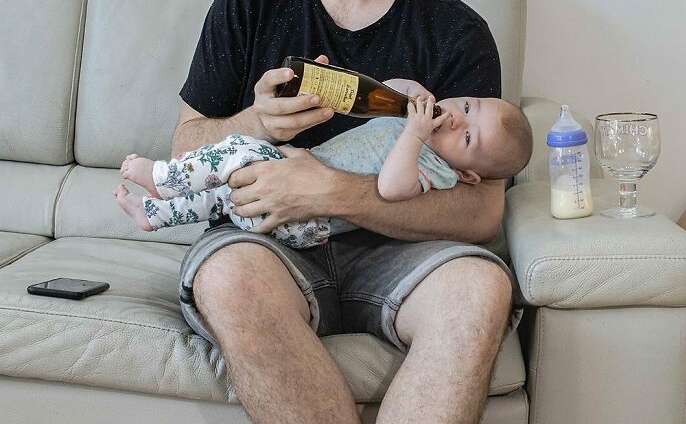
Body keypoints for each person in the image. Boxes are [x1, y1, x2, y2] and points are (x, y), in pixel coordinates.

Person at [172, 0, 520, 424]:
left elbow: (482, 209)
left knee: (481, 291)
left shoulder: (455, 33)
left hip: (400, 257)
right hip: (272, 248)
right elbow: (186, 146)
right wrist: (252, 124)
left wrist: (333, 192)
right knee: (228, 273)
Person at [114, 88, 533, 248]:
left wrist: (416, 135)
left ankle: (163, 177)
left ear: (467, 175)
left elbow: (391, 188)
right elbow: (390, 84)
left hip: (305, 220)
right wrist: (412, 94)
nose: (457, 119)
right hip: (282, 193)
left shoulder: (434, 169)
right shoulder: (418, 122)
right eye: (465, 107)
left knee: (242, 150)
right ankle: (155, 213)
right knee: (225, 198)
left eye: (466, 138)